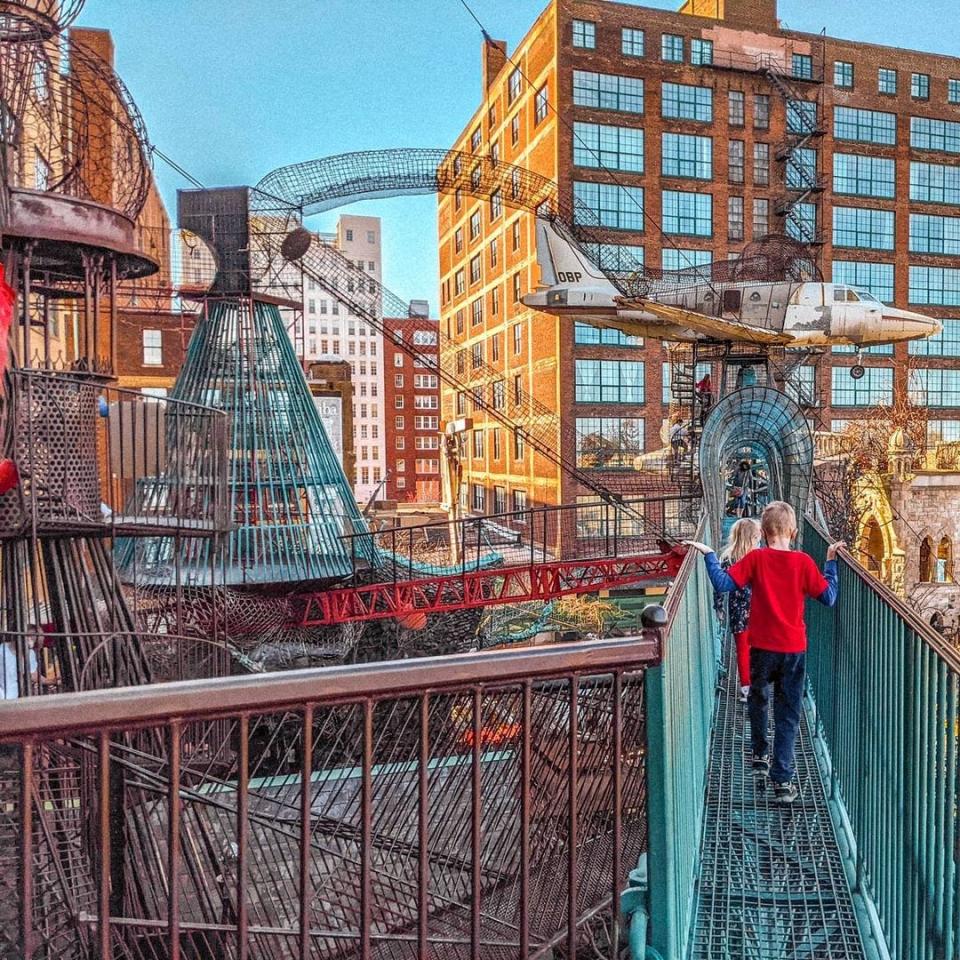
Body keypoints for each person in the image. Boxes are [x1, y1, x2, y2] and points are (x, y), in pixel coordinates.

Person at [686, 502, 844, 805]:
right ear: (794, 532)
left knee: (758, 699)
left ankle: (759, 754)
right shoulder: (803, 563)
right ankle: (782, 781)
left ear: (764, 531)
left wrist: (708, 553)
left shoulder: (757, 558)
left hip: (760, 646)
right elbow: (829, 597)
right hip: (793, 648)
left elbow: (722, 582)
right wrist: (831, 564)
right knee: (787, 715)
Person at [713, 518, 760, 702]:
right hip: (759, 609)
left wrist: (718, 606)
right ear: (753, 536)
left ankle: (746, 688)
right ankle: (757, 684)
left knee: (742, 649)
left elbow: (720, 584)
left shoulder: (728, 557)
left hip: (737, 609)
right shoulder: (759, 557)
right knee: (757, 648)